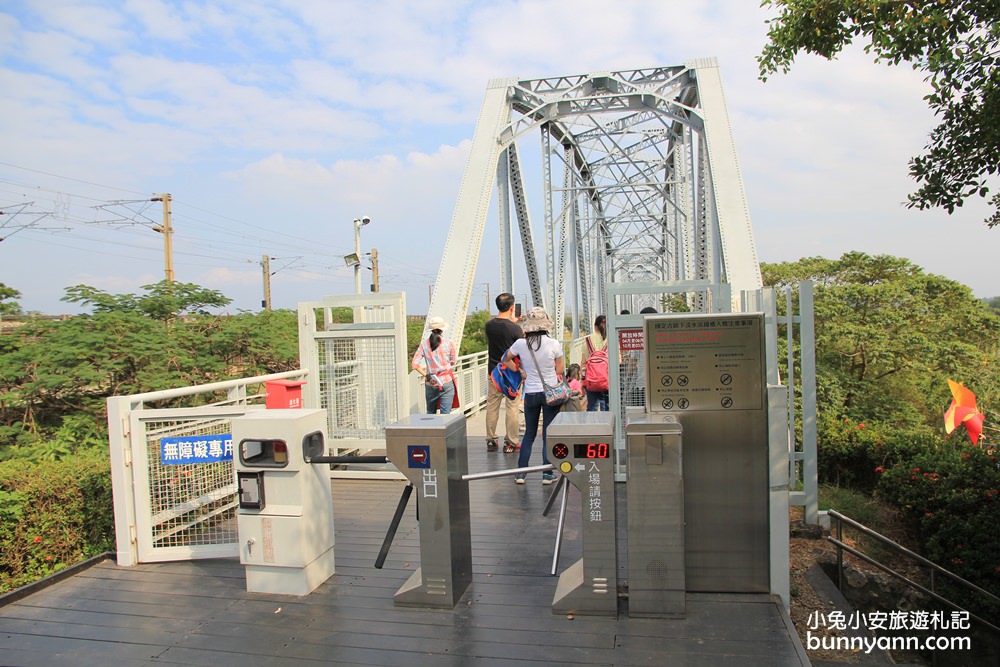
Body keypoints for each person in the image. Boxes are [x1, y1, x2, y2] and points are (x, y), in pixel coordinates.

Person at [503, 307, 564, 485]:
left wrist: (520, 371)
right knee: (547, 433)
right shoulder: (554, 344)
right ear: (545, 324)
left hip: (530, 393)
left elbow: (505, 360)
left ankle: (521, 473)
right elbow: (559, 370)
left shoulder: (521, 344)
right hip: (550, 393)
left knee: (529, 434)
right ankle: (546, 474)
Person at [484, 293, 524, 453]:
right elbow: (518, 344)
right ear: (512, 307)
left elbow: (502, 330)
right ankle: (511, 442)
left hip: (493, 372)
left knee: (492, 406)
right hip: (511, 374)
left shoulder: (489, 325)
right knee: (512, 408)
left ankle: (491, 439)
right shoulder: (515, 329)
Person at [411, 316, 458, 414]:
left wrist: (427, 376)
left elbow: (414, 364)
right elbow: (453, 361)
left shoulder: (424, 344)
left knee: (430, 413)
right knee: (446, 415)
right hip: (446, 381)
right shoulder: (448, 343)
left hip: (431, 382)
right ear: (442, 330)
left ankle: (430, 429)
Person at [581, 314, 609, 411]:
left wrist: (582, 381)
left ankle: (592, 425)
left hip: (591, 380)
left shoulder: (588, 340)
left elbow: (583, 363)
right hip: (607, 380)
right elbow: (619, 360)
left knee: (592, 407)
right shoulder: (611, 339)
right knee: (607, 407)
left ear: (595, 326)